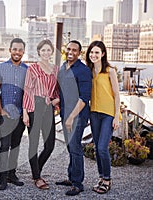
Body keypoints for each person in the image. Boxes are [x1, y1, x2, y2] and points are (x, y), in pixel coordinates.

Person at [56, 40, 92, 196]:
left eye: (74, 50)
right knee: (71, 147)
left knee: (75, 148)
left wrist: (71, 117)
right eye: (69, 49)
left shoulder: (83, 71)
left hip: (77, 116)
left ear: (79, 53)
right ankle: (71, 177)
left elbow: (84, 98)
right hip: (65, 114)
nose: (71, 52)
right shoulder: (63, 68)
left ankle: (78, 184)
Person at [22, 39, 60, 190]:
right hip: (34, 106)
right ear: (39, 52)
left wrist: (56, 100)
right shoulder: (32, 69)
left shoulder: (56, 69)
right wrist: (25, 112)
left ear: (52, 52)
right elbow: (27, 90)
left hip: (48, 106)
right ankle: (37, 177)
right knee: (33, 144)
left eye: (48, 50)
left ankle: (36, 168)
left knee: (50, 144)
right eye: (43, 50)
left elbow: (57, 90)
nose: (46, 53)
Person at [85, 40, 120, 194]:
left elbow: (117, 94)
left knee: (102, 147)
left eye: (97, 52)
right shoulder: (88, 71)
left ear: (103, 54)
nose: (94, 55)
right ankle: (101, 177)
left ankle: (107, 179)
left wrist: (116, 117)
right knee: (97, 149)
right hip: (94, 113)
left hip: (108, 113)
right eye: (91, 52)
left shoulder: (110, 71)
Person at [0, 38, 28, 190]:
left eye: (20, 50)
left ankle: (11, 174)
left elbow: (28, 93)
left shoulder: (27, 70)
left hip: (20, 115)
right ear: (10, 50)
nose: (17, 52)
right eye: (15, 49)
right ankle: (2, 178)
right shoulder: (0, 68)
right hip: (5, 114)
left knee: (15, 145)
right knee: (4, 146)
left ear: (23, 52)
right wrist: (0, 110)